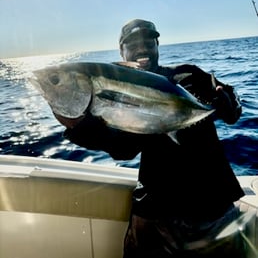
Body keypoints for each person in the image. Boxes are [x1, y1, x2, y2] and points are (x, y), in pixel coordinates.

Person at [55, 19, 246, 257]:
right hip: (155, 212)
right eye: (133, 43)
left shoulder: (189, 76)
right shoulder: (118, 91)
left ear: (157, 45)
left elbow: (231, 103)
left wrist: (230, 104)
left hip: (212, 206)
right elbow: (123, 149)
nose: (142, 48)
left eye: (148, 42)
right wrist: (78, 126)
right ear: (121, 51)